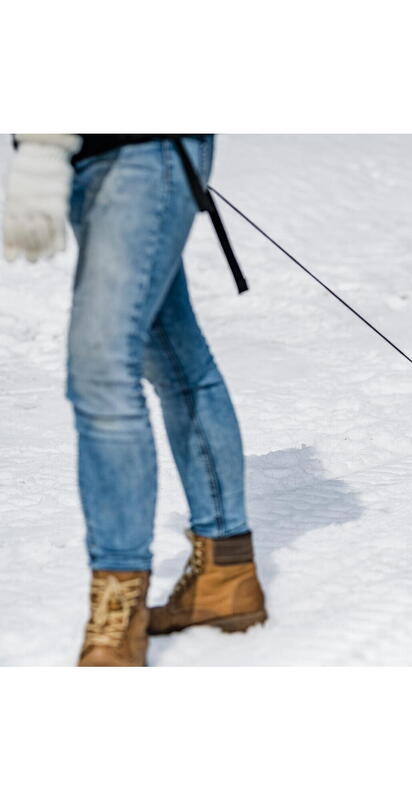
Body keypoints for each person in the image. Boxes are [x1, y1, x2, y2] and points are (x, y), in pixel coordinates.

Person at [3, 134, 267, 666]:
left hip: (141, 146)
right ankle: (225, 570)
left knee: (101, 368)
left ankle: (118, 608)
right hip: (107, 151)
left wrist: (41, 144)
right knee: (173, 354)